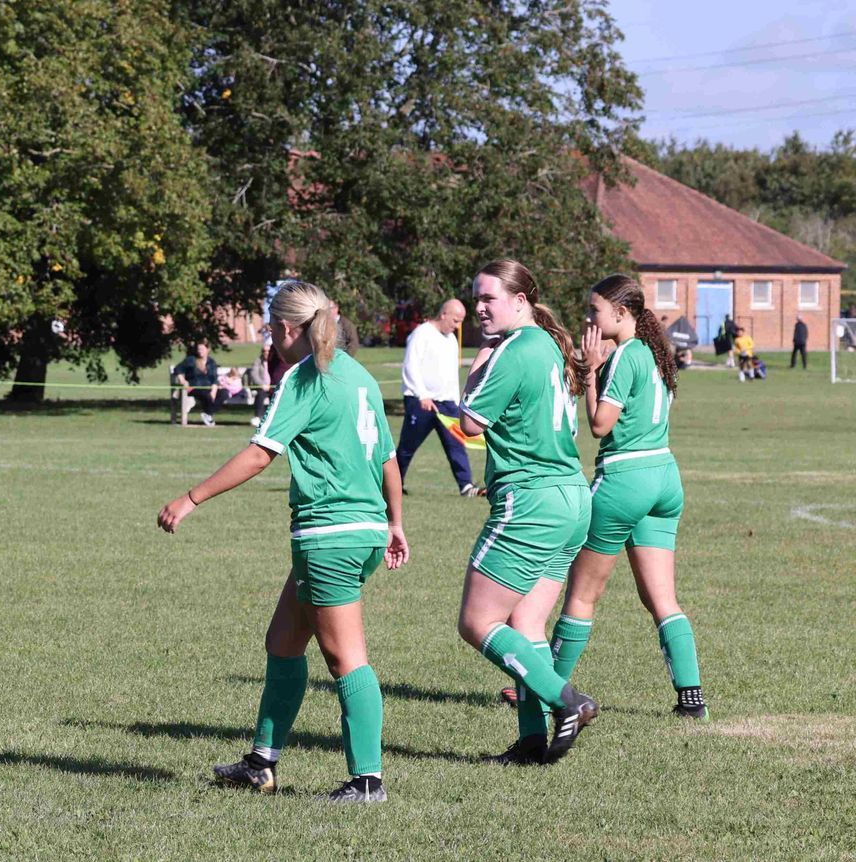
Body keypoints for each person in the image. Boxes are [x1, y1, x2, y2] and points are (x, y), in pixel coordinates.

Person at [159, 281, 408, 804]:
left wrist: (191, 498)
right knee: (283, 642)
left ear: (289, 328)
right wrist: (394, 522)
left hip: (330, 534)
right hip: (361, 530)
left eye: (271, 328)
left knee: (346, 658)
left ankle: (367, 781)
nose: (269, 337)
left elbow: (259, 454)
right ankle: (261, 763)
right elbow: (388, 458)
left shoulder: (304, 376)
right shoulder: (357, 374)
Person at [454, 259, 599, 766]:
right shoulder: (549, 345)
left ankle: (567, 700)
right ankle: (532, 741)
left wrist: (477, 364)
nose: (479, 308)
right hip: (571, 496)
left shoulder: (514, 349)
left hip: (531, 500)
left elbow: (470, 423)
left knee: (477, 622)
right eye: (476, 298)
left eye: (488, 298)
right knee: (526, 624)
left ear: (520, 301)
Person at [550, 275, 706, 723]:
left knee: (582, 595)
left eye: (594, 310)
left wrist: (590, 372)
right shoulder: (656, 353)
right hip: (664, 477)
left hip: (625, 479)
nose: (588, 318)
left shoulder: (625, 355)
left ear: (621, 314)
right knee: (663, 599)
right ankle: (691, 698)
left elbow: (600, 425)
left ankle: (546, 690)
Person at [397, 299, 479, 496]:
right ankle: (393, 484)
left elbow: (450, 375)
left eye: (461, 322)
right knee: (408, 446)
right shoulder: (421, 334)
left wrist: (456, 401)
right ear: (443, 314)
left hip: (447, 404)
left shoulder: (451, 340)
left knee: (456, 444)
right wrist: (422, 395)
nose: (457, 326)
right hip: (421, 402)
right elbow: (411, 366)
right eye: (455, 320)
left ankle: (466, 486)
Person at [170, 341, 221, 426]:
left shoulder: (211, 362)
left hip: (208, 388)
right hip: (194, 387)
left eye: (202, 349)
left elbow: (215, 378)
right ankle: (208, 415)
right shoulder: (191, 360)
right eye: (198, 349)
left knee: (224, 393)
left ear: (208, 350)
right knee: (206, 395)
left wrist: (214, 390)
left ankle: (207, 414)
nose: (200, 351)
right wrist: (183, 380)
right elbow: (177, 369)